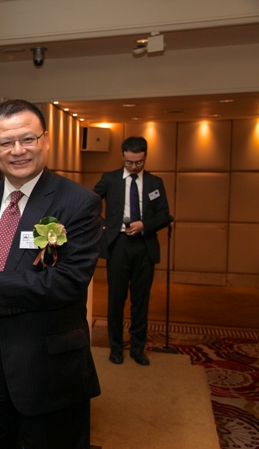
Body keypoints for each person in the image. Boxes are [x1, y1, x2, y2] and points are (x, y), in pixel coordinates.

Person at [0, 99, 103, 449]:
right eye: (6, 143)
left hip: (46, 365)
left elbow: (69, 282)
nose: (18, 150)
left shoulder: (79, 202)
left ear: (46, 140)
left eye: (27, 139)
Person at [93, 136, 171, 366]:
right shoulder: (110, 179)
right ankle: (116, 348)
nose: (134, 166)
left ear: (145, 157)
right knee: (116, 300)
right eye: (129, 162)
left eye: (138, 162)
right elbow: (90, 203)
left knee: (141, 300)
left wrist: (144, 225)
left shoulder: (155, 183)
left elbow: (164, 216)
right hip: (118, 245)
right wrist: (106, 226)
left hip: (144, 247)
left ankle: (138, 349)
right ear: (123, 156)